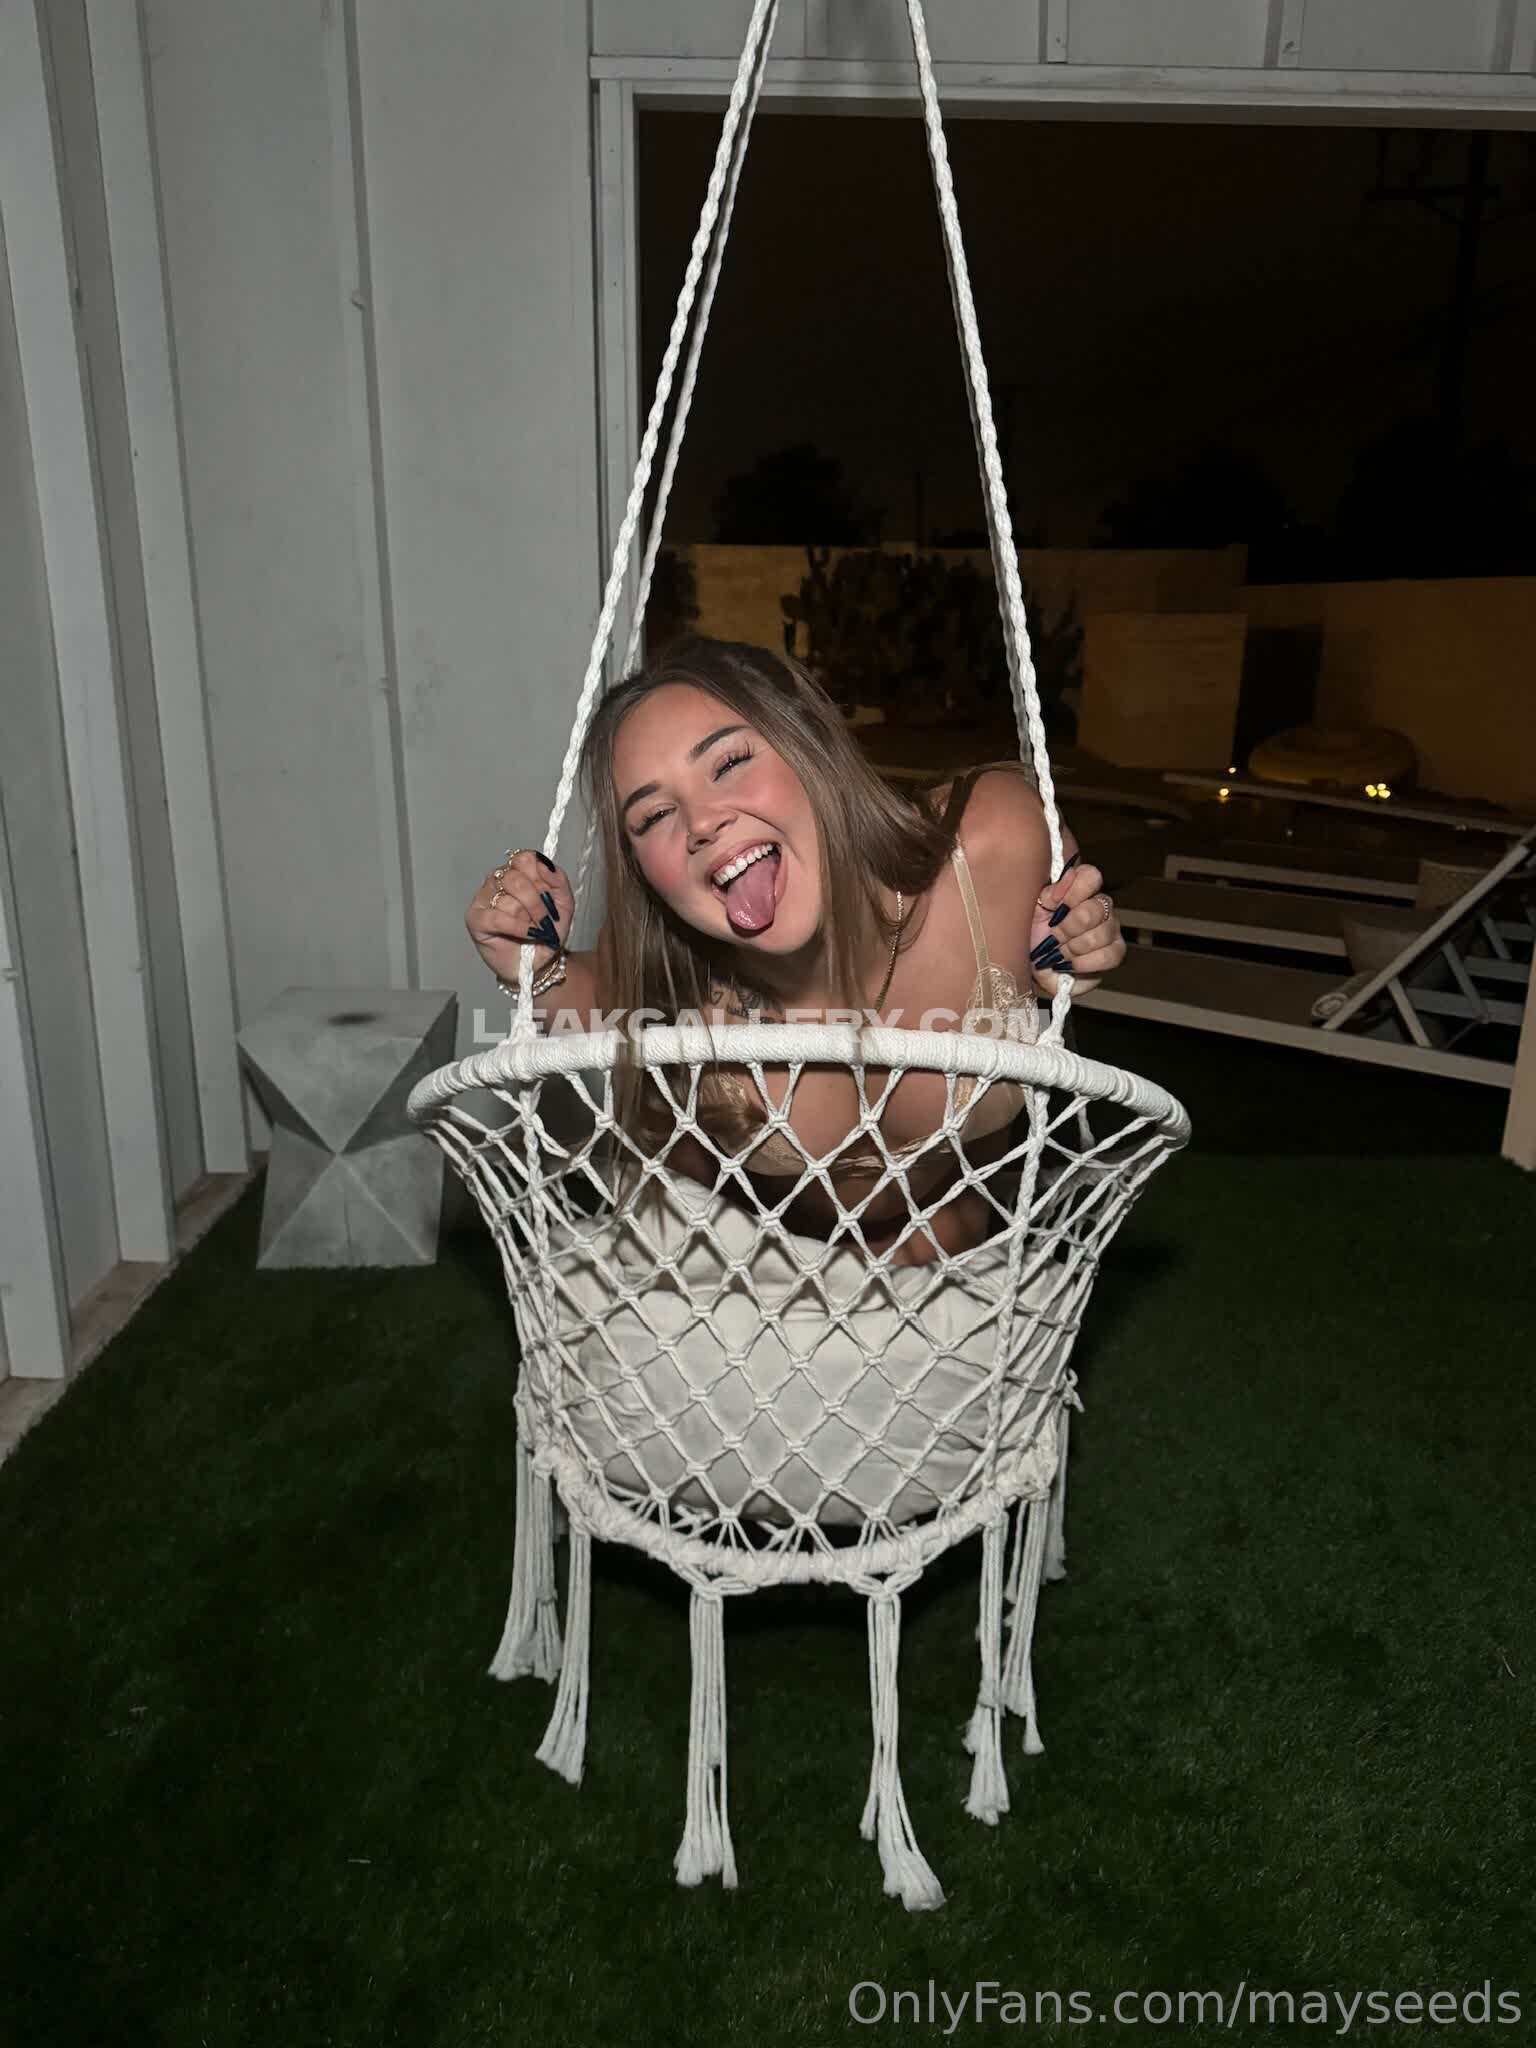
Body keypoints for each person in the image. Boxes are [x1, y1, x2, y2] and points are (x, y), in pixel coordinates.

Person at [466, 637, 1125, 1265]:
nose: (701, 823)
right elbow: (596, 999)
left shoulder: (993, 846)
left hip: (963, 1272)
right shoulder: (680, 966)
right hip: (768, 1282)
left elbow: (1073, 923)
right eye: (654, 816)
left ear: (810, 743)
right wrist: (534, 967)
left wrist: (1076, 948)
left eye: (729, 763)